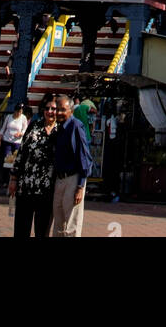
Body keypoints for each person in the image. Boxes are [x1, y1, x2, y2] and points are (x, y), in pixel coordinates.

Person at [9, 93, 58, 238]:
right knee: (21, 229)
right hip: (26, 186)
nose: (50, 112)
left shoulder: (61, 131)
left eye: (54, 109)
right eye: (47, 108)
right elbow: (22, 153)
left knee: (42, 231)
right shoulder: (34, 127)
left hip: (47, 189)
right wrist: (13, 178)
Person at [52, 94, 91, 237]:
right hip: (60, 179)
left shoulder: (75, 126)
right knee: (58, 223)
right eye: (58, 110)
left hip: (73, 179)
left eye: (63, 110)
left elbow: (84, 157)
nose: (59, 113)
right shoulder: (60, 128)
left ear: (71, 111)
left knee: (71, 226)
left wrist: (80, 187)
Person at [0, 102, 29, 176]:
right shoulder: (9, 117)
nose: (19, 113)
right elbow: (3, 129)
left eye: (20, 111)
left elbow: (25, 129)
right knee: (7, 160)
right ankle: (5, 178)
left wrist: (20, 133)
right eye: (18, 111)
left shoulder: (23, 118)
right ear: (15, 110)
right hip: (7, 141)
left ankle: (13, 178)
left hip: (17, 142)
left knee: (15, 161)